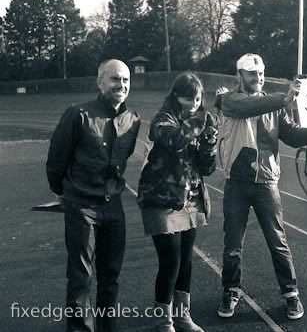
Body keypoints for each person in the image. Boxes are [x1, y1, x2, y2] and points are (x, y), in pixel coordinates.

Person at [217, 53, 307, 320]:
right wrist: (284, 98)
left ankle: (291, 294)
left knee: (278, 242)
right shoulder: (228, 99)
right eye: (252, 74)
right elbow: (247, 108)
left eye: (261, 73)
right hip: (237, 181)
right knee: (233, 244)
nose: (259, 78)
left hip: (267, 181)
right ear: (239, 76)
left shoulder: (274, 105)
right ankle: (231, 290)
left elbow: (290, 136)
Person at [46, 59, 141, 332]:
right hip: (81, 205)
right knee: (80, 276)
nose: (121, 85)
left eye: (125, 80)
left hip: (114, 207)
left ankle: (106, 328)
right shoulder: (77, 115)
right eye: (114, 79)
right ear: (99, 82)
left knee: (110, 276)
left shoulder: (132, 120)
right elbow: (56, 160)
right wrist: (62, 192)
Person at [137, 72, 218, 332]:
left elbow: (207, 168)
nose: (193, 103)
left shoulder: (198, 122)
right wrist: (202, 120)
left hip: (191, 199)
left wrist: (209, 142)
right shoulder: (164, 119)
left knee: (185, 260)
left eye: (197, 99)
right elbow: (175, 139)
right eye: (187, 98)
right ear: (175, 96)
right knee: (170, 261)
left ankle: (183, 317)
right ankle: (163, 320)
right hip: (162, 200)